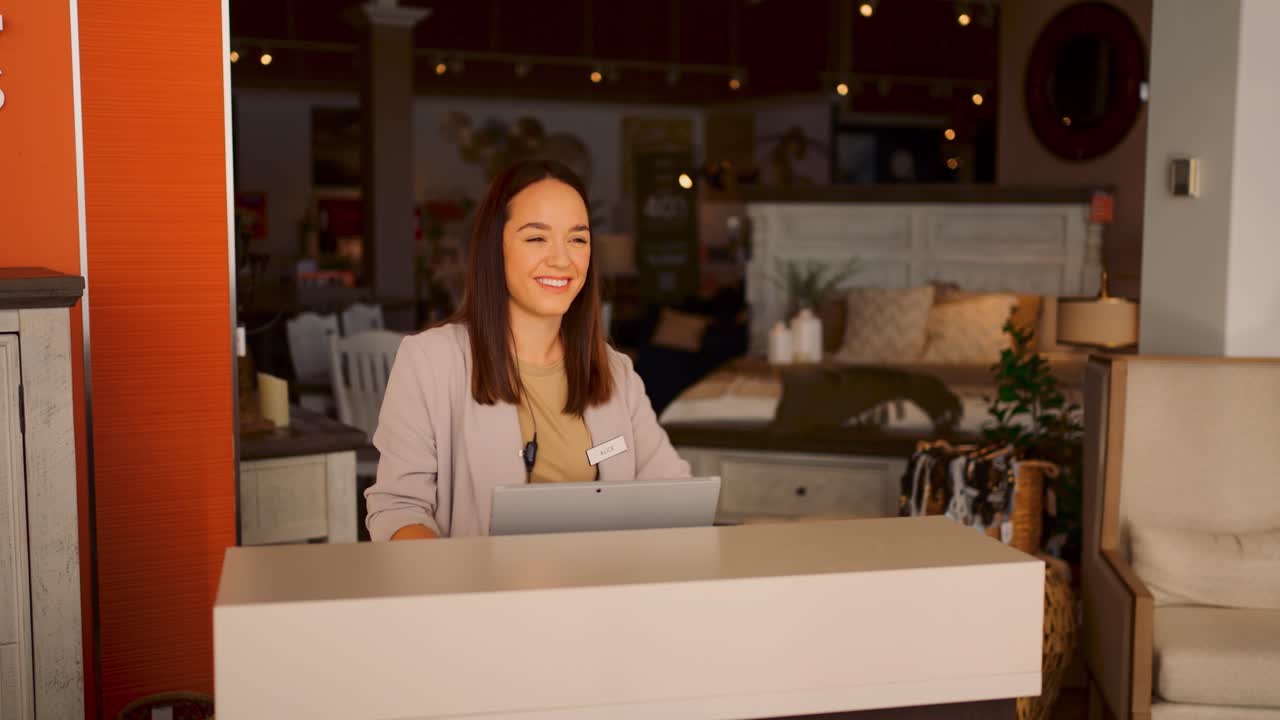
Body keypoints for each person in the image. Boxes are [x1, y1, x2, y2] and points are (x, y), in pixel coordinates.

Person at [366, 160, 691, 540]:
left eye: (578, 239)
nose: (561, 259)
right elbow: (398, 510)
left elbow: (673, 495)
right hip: (481, 592)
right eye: (537, 238)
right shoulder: (430, 362)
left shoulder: (616, 372)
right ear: (495, 247)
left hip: (597, 592)